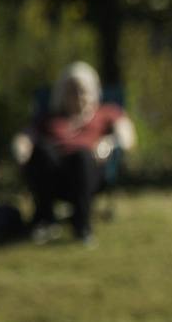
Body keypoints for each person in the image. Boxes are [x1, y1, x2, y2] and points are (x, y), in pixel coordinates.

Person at [13, 62, 136, 245]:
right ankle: (45, 221)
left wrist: (109, 143)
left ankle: (82, 226)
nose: (78, 96)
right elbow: (25, 138)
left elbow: (127, 136)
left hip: (88, 171)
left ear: (94, 91)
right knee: (42, 150)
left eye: (83, 90)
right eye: (72, 90)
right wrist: (20, 149)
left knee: (81, 156)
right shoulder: (48, 118)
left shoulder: (107, 112)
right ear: (62, 93)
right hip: (52, 172)